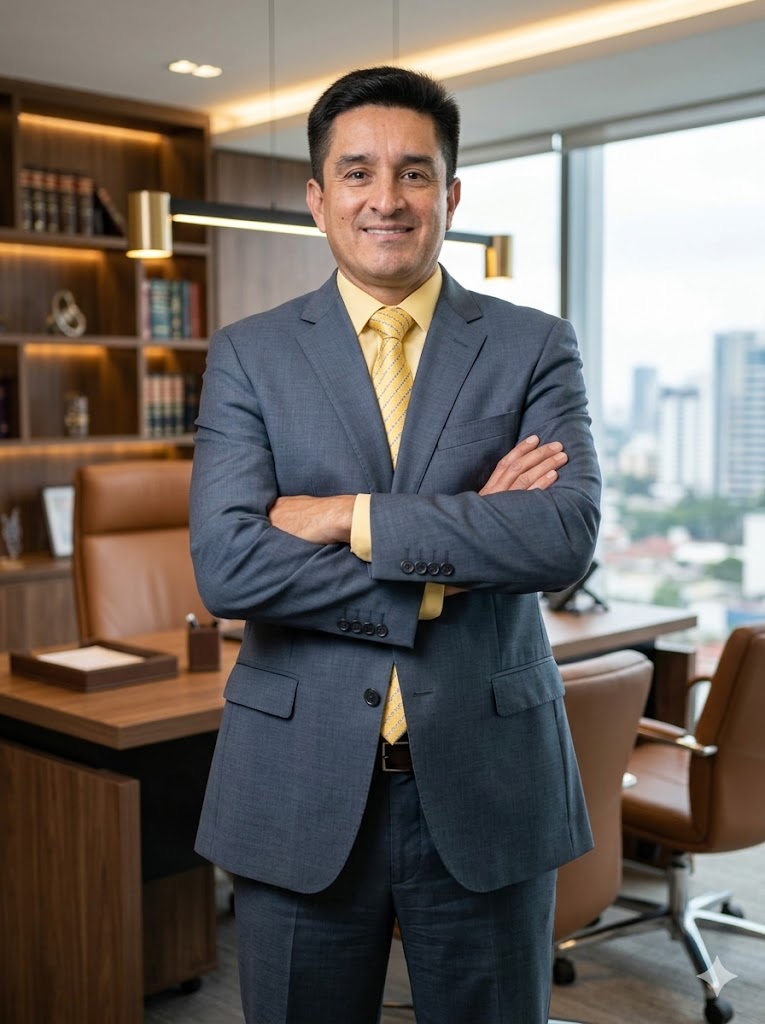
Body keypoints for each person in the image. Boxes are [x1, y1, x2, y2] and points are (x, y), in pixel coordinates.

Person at [190, 65, 601, 1024]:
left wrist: (344, 515)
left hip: (488, 778)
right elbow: (228, 565)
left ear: (451, 195)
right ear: (317, 197)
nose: (386, 199)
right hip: (295, 782)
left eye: (415, 174)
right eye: (358, 172)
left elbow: (559, 537)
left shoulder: (532, 344)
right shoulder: (249, 353)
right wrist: (452, 561)